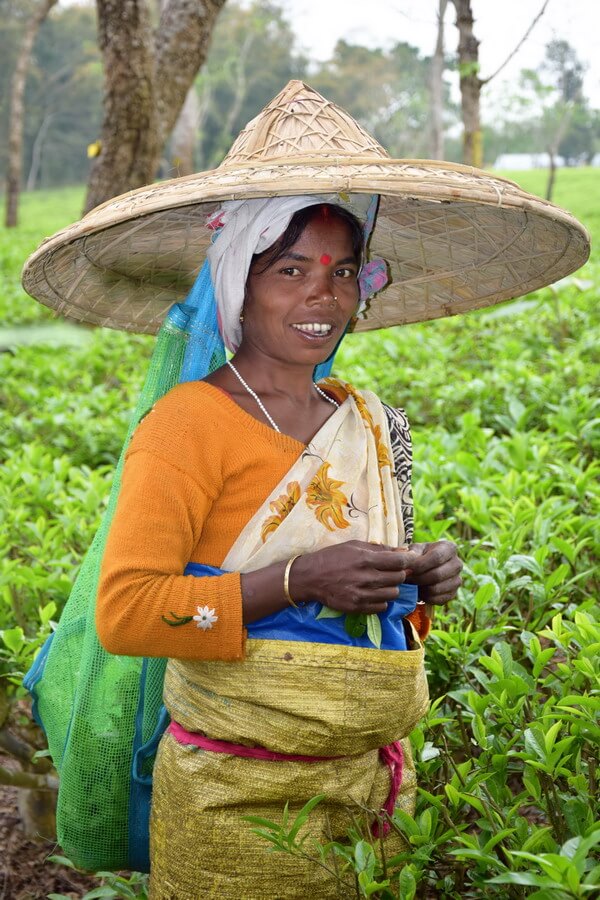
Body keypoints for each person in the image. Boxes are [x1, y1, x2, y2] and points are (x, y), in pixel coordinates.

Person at [22, 81, 588, 899]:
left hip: (373, 790)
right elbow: (127, 612)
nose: (322, 295)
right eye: (290, 269)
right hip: (234, 795)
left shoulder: (370, 420)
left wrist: (419, 576)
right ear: (237, 283)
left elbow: (384, 611)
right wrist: (295, 581)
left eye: (343, 271)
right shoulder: (189, 425)